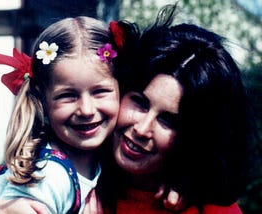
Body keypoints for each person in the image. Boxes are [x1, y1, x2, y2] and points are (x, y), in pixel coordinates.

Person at [93, 4, 255, 213]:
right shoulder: (66, 170)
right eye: (140, 102)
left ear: (197, 137)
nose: (142, 129)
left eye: (168, 120)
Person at [0, 16, 120, 214]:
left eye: (100, 92)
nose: (86, 110)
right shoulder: (48, 177)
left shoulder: (95, 163)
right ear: (43, 100)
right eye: (67, 96)